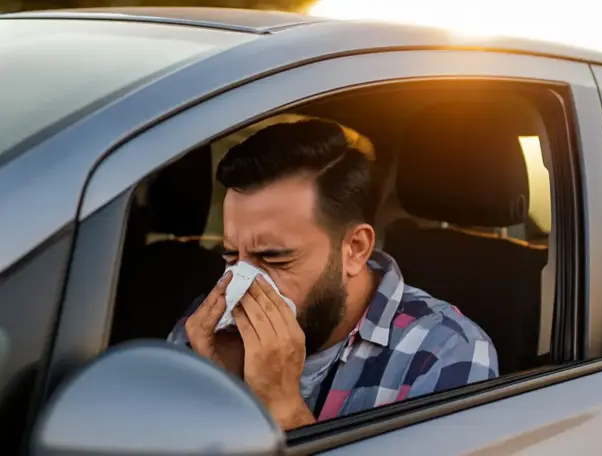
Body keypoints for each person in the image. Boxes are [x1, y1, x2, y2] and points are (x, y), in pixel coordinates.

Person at [168, 119, 498, 430]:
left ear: (355, 248)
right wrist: (222, 390)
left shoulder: (444, 353)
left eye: (273, 258)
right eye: (231, 255)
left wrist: (282, 408)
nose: (243, 284)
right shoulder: (204, 329)